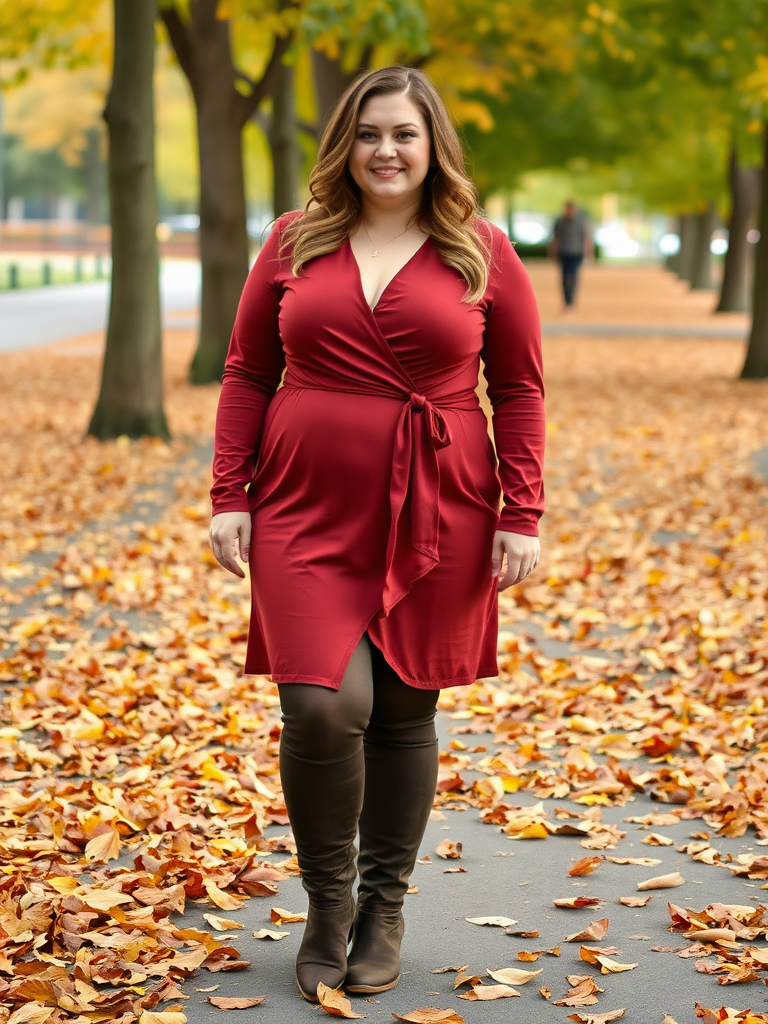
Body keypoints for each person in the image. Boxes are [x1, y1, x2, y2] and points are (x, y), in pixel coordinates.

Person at [208, 65, 545, 1004]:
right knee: (320, 706)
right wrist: (227, 491)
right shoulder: (293, 240)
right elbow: (246, 371)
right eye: (368, 134)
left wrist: (522, 512)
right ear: (343, 147)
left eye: (404, 133)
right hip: (303, 506)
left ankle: (383, 906)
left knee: (402, 710)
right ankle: (327, 903)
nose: (385, 150)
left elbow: (517, 390)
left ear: (432, 145)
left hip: (442, 505)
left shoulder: (482, 250)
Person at [548, 199, 593, 307]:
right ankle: (566, 299)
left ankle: (572, 297)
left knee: (574, 275)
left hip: (576, 252)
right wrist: (552, 251)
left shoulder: (580, 222)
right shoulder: (559, 222)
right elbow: (555, 238)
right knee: (563, 276)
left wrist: (588, 250)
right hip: (563, 252)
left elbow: (585, 238)